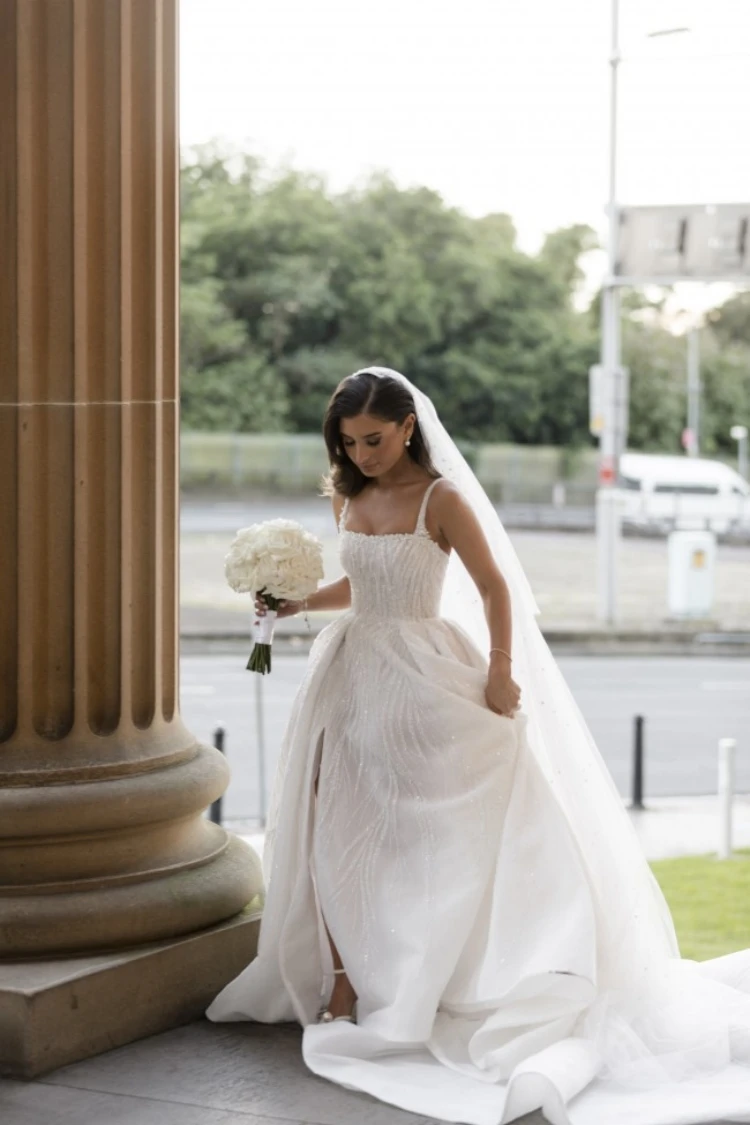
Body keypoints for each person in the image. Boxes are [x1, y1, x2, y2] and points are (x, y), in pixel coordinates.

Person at [208, 368, 750, 1125]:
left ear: (406, 427)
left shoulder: (443, 497)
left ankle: (441, 974)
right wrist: (297, 602)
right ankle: (340, 979)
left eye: (373, 438)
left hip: (426, 674)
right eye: (348, 441)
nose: (361, 453)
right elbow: (359, 583)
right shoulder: (350, 496)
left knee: (430, 831)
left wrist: (500, 671)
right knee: (332, 818)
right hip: (350, 672)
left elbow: (495, 587)